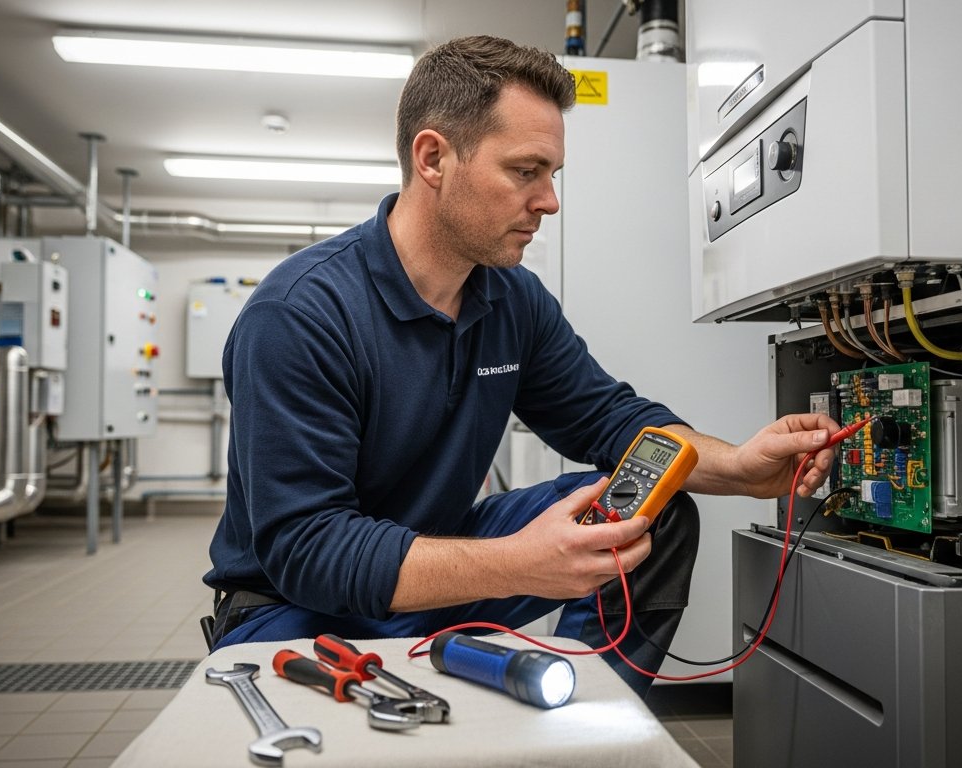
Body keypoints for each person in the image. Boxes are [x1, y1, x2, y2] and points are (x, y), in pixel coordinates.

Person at [202, 35, 839, 696]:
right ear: (433, 158)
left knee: (656, 505)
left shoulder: (511, 300)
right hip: (293, 609)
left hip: (436, 568)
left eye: (552, 174)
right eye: (525, 171)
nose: (549, 201)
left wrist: (735, 467)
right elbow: (310, 549)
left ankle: (590, 721)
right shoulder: (301, 314)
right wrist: (518, 565)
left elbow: (608, 418)